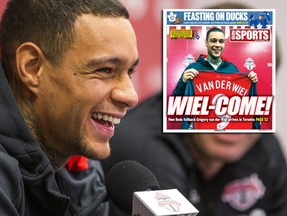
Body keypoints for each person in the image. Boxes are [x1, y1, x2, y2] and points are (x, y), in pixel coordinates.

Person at [102, 4, 287, 216]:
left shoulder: (265, 149)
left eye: (246, 99)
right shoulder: (146, 149)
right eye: (216, 100)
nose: (230, 119)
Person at [0, 0, 138, 215]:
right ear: (31, 68)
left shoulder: (81, 166)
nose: (130, 96)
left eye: (129, 72)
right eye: (105, 70)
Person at [172, 27, 259, 129]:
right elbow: (175, 102)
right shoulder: (193, 68)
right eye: (213, 41)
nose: (217, 45)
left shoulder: (232, 69)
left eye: (221, 41)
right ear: (206, 42)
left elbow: (243, 103)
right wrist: (183, 81)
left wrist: (251, 82)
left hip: (225, 129)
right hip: (198, 131)